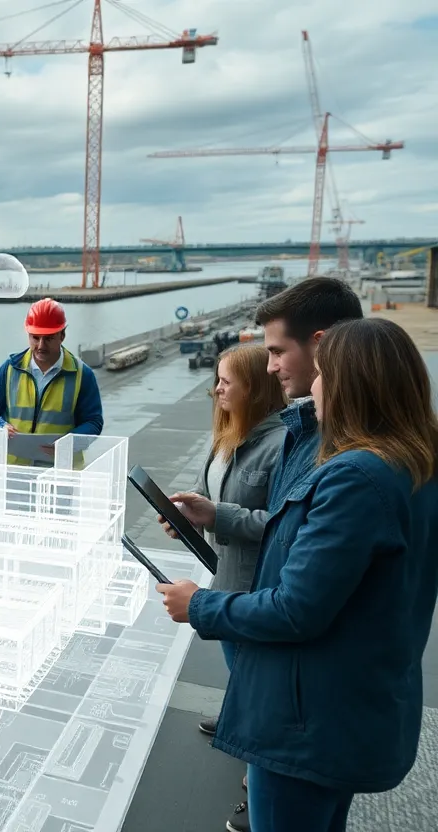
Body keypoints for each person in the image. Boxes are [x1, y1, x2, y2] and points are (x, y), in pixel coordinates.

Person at [157, 317, 438, 832]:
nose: (313, 386)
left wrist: (198, 603)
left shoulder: (356, 476)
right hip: (353, 703)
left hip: (307, 718)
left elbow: (296, 608)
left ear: (351, 383)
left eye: (323, 374)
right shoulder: (414, 465)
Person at [158, 276, 363, 832]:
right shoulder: (317, 444)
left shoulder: (341, 463)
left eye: (276, 352)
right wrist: (209, 517)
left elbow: (298, 596)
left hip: (297, 696)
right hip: (294, 676)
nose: (273, 367)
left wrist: (199, 605)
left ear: (322, 348)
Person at [155, 344, 286, 736]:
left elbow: (285, 525)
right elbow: (205, 493)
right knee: (240, 667)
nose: (217, 390)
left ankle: (261, 753)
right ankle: (240, 718)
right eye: (217, 381)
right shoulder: (225, 436)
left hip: (256, 587)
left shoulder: (280, 446)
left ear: (255, 388)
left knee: (261, 676)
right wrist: (187, 519)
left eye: (226, 382)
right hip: (226, 578)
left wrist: (216, 516)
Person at [0, 298, 103, 466]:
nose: (41, 345)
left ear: (62, 335)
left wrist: (68, 444)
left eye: (49, 338)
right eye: (35, 338)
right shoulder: (8, 369)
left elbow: (93, 422)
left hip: (60, 473)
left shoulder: (82, 375)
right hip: (15, 473)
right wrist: (0, 426)